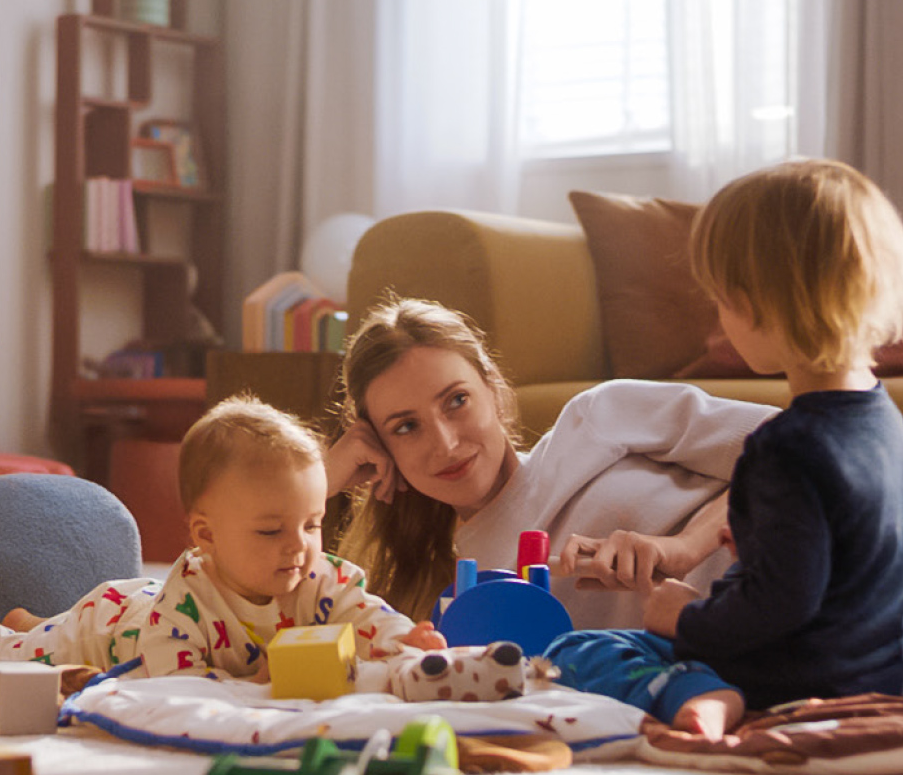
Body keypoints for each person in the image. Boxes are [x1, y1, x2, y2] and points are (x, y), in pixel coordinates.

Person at [326, 295, 777, 735]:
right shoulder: (461, 602)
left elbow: (803, 451)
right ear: (383, 451)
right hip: (741, 679)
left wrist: (683, 547)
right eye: (406, 428)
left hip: (810, 588)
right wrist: (322, 483)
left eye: (456, 401)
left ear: (491, 386)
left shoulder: (599, 419)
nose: (444, 443)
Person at [640, 157, 903, 711]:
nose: (717, 320)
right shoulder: (887, 421)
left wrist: (684, 616)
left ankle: (712, 704)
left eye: (721, 298)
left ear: (758, 304)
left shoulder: (784, 446)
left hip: (800, 683)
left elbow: (782, 603)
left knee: (593, 652)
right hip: (880, 678)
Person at [0, 395, 442, 687]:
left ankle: (31, 618)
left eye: (312, 524)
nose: (298, 546)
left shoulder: (320, 577)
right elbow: (176, 686)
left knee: (38, 628)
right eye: (270, 530)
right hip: (111, 628)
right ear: (206, 535)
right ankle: (23, 627)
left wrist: (407, 640)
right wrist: (255, 685)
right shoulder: (187, 602)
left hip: (138, 607)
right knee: (16, 657)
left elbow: (366, 616)